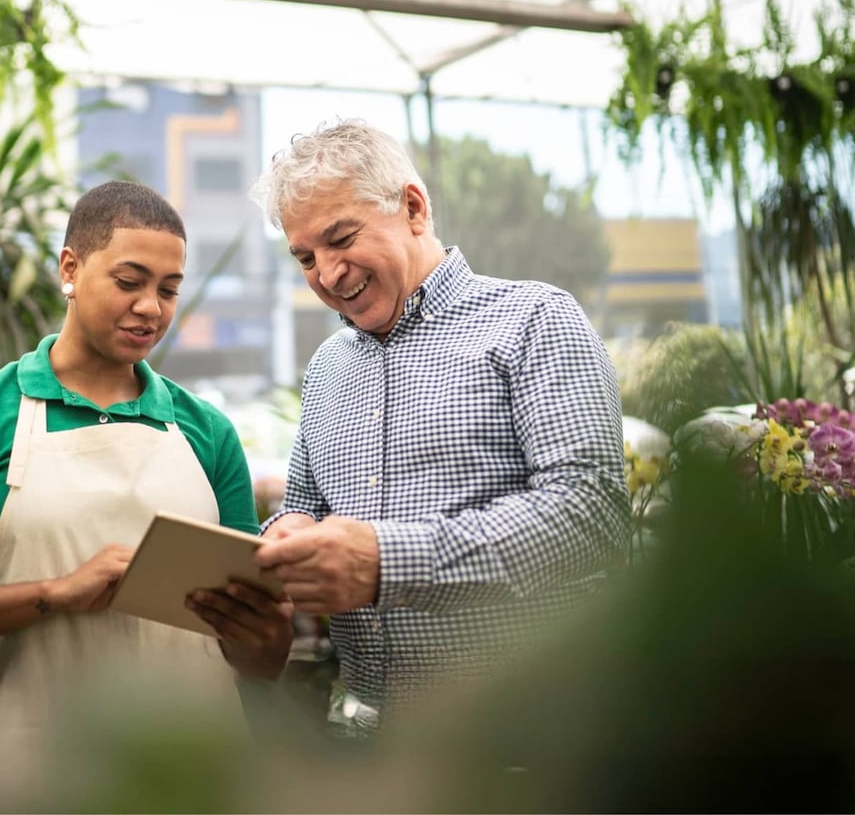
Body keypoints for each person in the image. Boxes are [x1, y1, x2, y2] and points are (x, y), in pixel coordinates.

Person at [0, 181, 295, 812]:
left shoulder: (206, 431)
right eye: (130, 281)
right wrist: (52, 595)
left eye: (169, 289)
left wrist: (267, 631)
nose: (151, 307)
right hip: (36, 773)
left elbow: (258, 663)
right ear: (70, 267)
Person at [248, 119, 627, 734]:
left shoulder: (535, 320)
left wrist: (385, 562)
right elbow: (308, 511)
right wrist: (289, 530)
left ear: (414, 208)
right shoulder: (327, 368)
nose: (326, 274)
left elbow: (590, 515)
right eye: (305, 257)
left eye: (341, 239)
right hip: (370, 733)